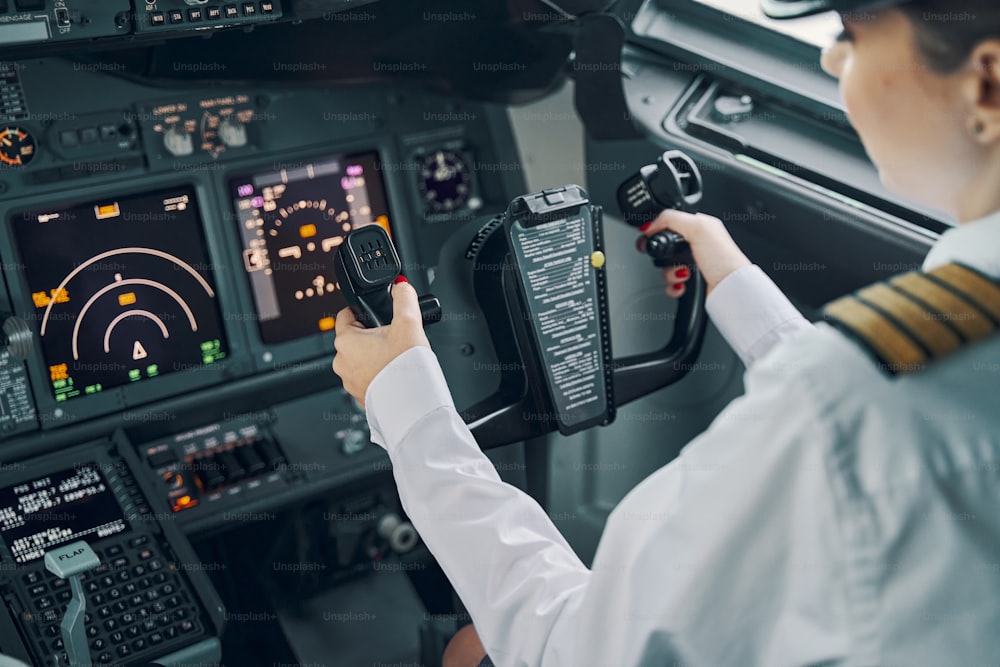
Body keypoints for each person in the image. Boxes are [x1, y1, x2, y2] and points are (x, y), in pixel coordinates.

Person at [332, 0, 1000, 664]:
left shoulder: (840, 407)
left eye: (853, 34)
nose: (830, 55)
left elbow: (573, 647)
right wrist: (734, 283)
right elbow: (872, 400)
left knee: (468, 648)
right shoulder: (907, 375)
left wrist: (407, 405)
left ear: (986, 82)